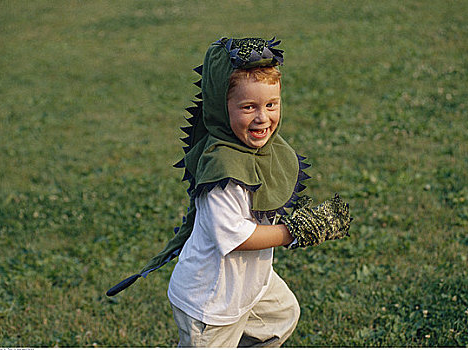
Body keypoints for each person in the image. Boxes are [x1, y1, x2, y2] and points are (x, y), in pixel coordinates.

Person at [106, 37, 352, 347]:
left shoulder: (266, 152)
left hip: (249, 285)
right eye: (248, 107)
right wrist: (294, 231)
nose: (262, 117)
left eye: (271, 104)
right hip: (210, 303)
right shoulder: (224, 170)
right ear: (222, 108)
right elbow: (236, 237)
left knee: (281, 316)